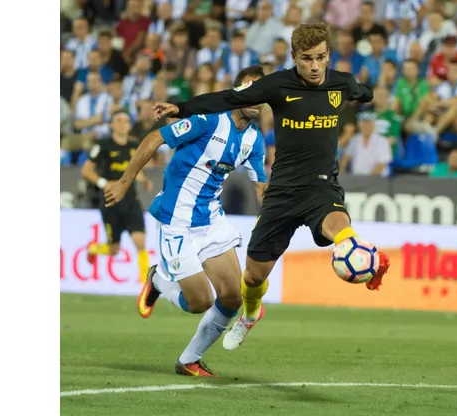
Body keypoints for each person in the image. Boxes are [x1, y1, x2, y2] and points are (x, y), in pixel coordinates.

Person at [142, 23, 391, 351]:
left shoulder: (342, 84)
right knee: (253, 277)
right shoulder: (277, 85)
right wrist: (182, 108)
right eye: (307, 59)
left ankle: (359, 251)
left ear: (328, 54)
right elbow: (229, 98)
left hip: (320, 188)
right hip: (281, 193)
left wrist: (371, 93)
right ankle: (250, 315)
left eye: (321, 58)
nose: (315, 66)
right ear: (294, 57)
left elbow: (365, 92)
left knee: (340, 226)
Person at [103, 66, 269, 377]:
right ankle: (158, 280)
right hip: (177, 220)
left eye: (263, 94)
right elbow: (156, 137)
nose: (257, 99)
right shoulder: (209, 120)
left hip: (211, 220)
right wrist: (125, 182)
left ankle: (189, 360)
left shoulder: (254, 140)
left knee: (232, 297)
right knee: (199, 302)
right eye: (251, 91)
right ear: (236, 93)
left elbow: (261, 187)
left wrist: (276, 212)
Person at [81, 112, 154, 282]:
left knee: (140, 242)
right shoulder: (103, 146)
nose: (123, 124)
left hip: (131, 201)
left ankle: (145, 285)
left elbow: (135, 169)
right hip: (110, 201)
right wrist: (104, 183)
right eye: (119, 120)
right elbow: (86, 170)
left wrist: (144, 180)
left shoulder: (134, 145)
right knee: (114, 249)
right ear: (112, 125)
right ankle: (93, 249)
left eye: (126, 121)